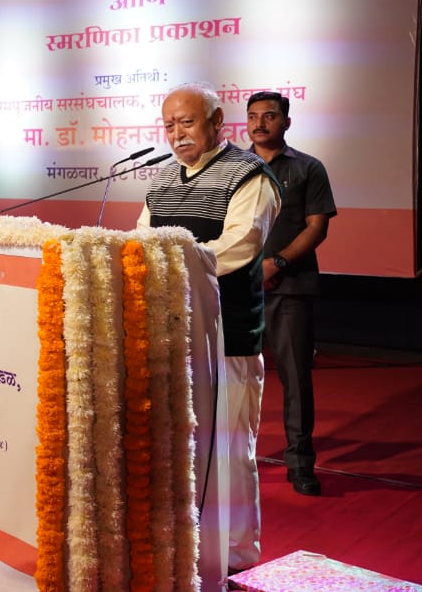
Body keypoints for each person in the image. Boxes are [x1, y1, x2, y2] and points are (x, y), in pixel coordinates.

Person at [136, 82, 281, 573]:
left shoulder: (248, 174)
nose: (177, 134)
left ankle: (238, 556)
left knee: (232, 449)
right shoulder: (162, 179)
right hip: (172, 336)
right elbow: (141, 239)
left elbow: (240, 245)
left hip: (228, 335)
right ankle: (192, 545)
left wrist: (168, 265)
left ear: (217, 122)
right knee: (183, 448)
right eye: (169, 125)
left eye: (187, 122)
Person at [247, 91, 336, 497]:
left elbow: (317, 226)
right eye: (252, 116)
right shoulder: (232, 168)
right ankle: (232, 459)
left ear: (286, 122)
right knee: (232, 378)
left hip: (290, 288)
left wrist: (276, 263)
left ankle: (300, 463)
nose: (259, 123)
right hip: (238, 289)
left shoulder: (307, 168)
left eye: (269, 116)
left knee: (296, 379)